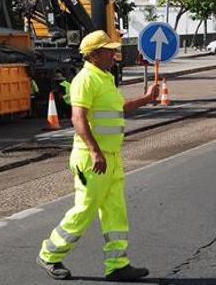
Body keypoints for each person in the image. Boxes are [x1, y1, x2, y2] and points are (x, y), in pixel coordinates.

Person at [38, 31, 159, 282]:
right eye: (108, 51)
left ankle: (117, 265)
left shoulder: (105, 78)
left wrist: (146, 99)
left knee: (116, 211)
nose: (114, 55)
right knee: (85, 209)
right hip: (91, 159)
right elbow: (77, 118)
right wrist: (95, 151)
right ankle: (49, 254)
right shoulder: (85, 79)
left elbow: (119, 108)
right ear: (94, 55)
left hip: (111, 157)